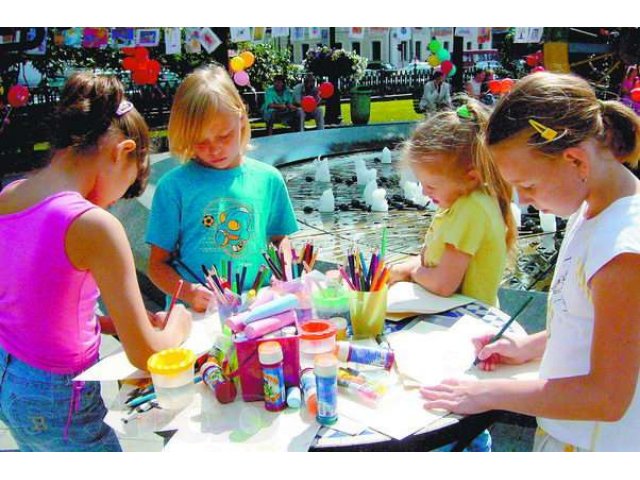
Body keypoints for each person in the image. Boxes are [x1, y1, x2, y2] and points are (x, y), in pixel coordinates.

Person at [421, 72, 640, 452]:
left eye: (528, 185)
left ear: (575, 160)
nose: (521, 201)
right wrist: (531, 347)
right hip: (567, 435)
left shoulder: (622, 252)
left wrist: (488, 394)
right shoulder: (589, 210)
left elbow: (607, 396)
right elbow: (589, 324)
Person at [0, 73, 192, 452]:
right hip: (58, 396)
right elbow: (147, 354)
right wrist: (180, 324)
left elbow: (32, 299)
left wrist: (109, 323)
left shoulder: (12, 194)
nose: (118, 201)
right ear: (123, 152)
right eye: (130, 186)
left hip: (11, 376)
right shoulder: (93, 225)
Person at [146, 65, 299, 313]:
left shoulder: (269, 179)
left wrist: (286, 267)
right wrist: (188, 292)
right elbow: (157, 265)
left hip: (257, 307)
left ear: (241, 119)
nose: (215, 149)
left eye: (224, 136)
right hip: (198, 315)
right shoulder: (173, 188)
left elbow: (281, 239)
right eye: (201, 142)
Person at [389, 100, 517, 308]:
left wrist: (413, 273)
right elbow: (438, 262)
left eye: (431, 186)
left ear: (471, 177)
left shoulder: (471, 208)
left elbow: (443, 283)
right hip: (457, 315)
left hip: (468, 323)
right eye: (422, 184)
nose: (423, 192)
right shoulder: (462, 200)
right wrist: (402, 269)